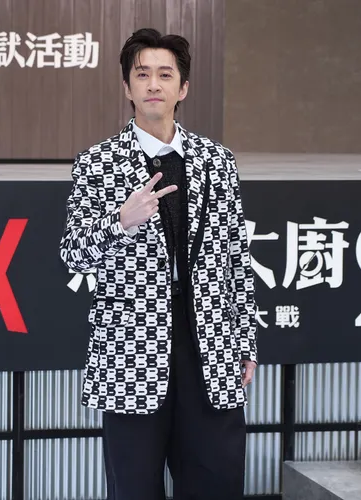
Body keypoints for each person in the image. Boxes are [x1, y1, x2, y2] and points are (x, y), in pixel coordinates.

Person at [59, 27, 258, 500]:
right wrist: (120, 222)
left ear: (182, 88)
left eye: (165, 75)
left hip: (210, 347)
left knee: (216, 481)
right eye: (142, 74)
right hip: (132, 351)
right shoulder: (97, 163)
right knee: (134, 487)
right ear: (126, 88)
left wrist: (246, 339)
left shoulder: (217, 161)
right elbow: (73, 252)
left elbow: (236, 257)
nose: (153, 84)